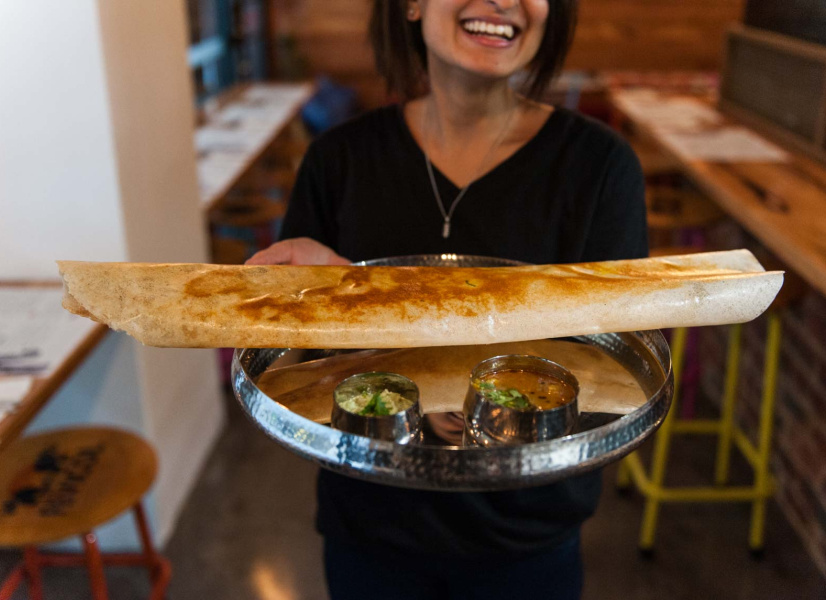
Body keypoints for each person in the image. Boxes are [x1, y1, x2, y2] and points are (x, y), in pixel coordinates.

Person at [248, 1, 647, 598]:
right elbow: (293, 373)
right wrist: (318, 300)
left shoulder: (600, 168)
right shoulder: (339, 160)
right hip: (371, 525)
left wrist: (465, 387)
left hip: (527, 537)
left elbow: (616, 371)